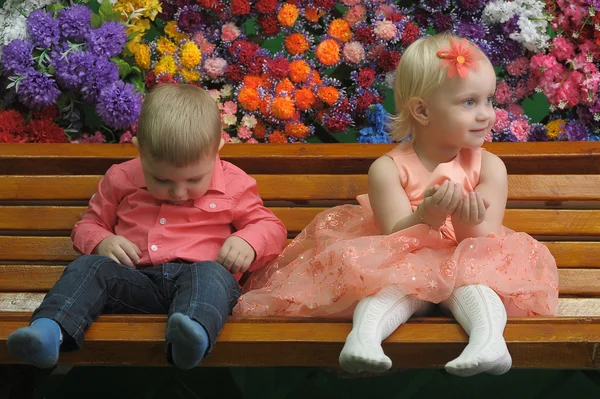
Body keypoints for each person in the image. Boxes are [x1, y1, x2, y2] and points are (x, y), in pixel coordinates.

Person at [233, 34, 558, 377]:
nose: (486, 115)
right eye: (469, 102)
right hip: (405, 257)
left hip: (471, 257)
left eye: (488, 100)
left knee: (477, 286)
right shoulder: (387, 169)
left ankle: (490, 343)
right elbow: (392, 235)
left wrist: (464, 218)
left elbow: (486, 238)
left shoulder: (489, 166)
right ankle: (364, 339)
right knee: (387, 287)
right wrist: (426, 215)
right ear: (422, 110)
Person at [7, 84, 287, 370]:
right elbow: (87, 225)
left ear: (217, 150)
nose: (178, 193)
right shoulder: (121, 178)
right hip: (136, 282)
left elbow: (270, 226)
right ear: (140, 151)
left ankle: (192, 339)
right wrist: (102, 241)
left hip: (202, 284)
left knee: (211, 273)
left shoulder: (234, 183)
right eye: (163, 181)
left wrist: (248, 241)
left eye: (193, 181)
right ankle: (47, 332)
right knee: (90, 267)